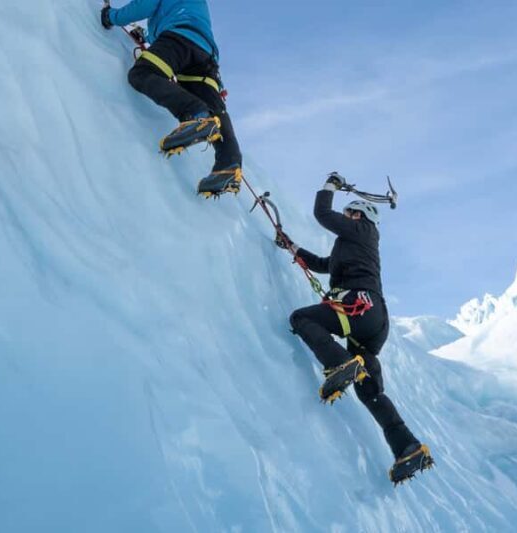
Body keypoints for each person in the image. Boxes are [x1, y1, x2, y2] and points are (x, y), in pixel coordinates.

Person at [277, 172, 432, 481]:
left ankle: (338, 363)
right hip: (373, 320)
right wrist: (292, 247)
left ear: (362, 215)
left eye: (350, 212)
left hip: (360, 306)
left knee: (301, 318)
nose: (345, 216)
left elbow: (322, 213)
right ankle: (408, 447)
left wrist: (329, 186)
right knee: (369, 390)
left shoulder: (363, 231)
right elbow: (324, 265)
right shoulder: (350, 245)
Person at [101, 0, 243, 197]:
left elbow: (145, 5)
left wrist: (110, 16)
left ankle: (195, 115)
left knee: (142, 73)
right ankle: (229, 165)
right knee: (215, 108)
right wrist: (147, 35)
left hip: (179, 39)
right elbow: (172, 14)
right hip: (206, 54)